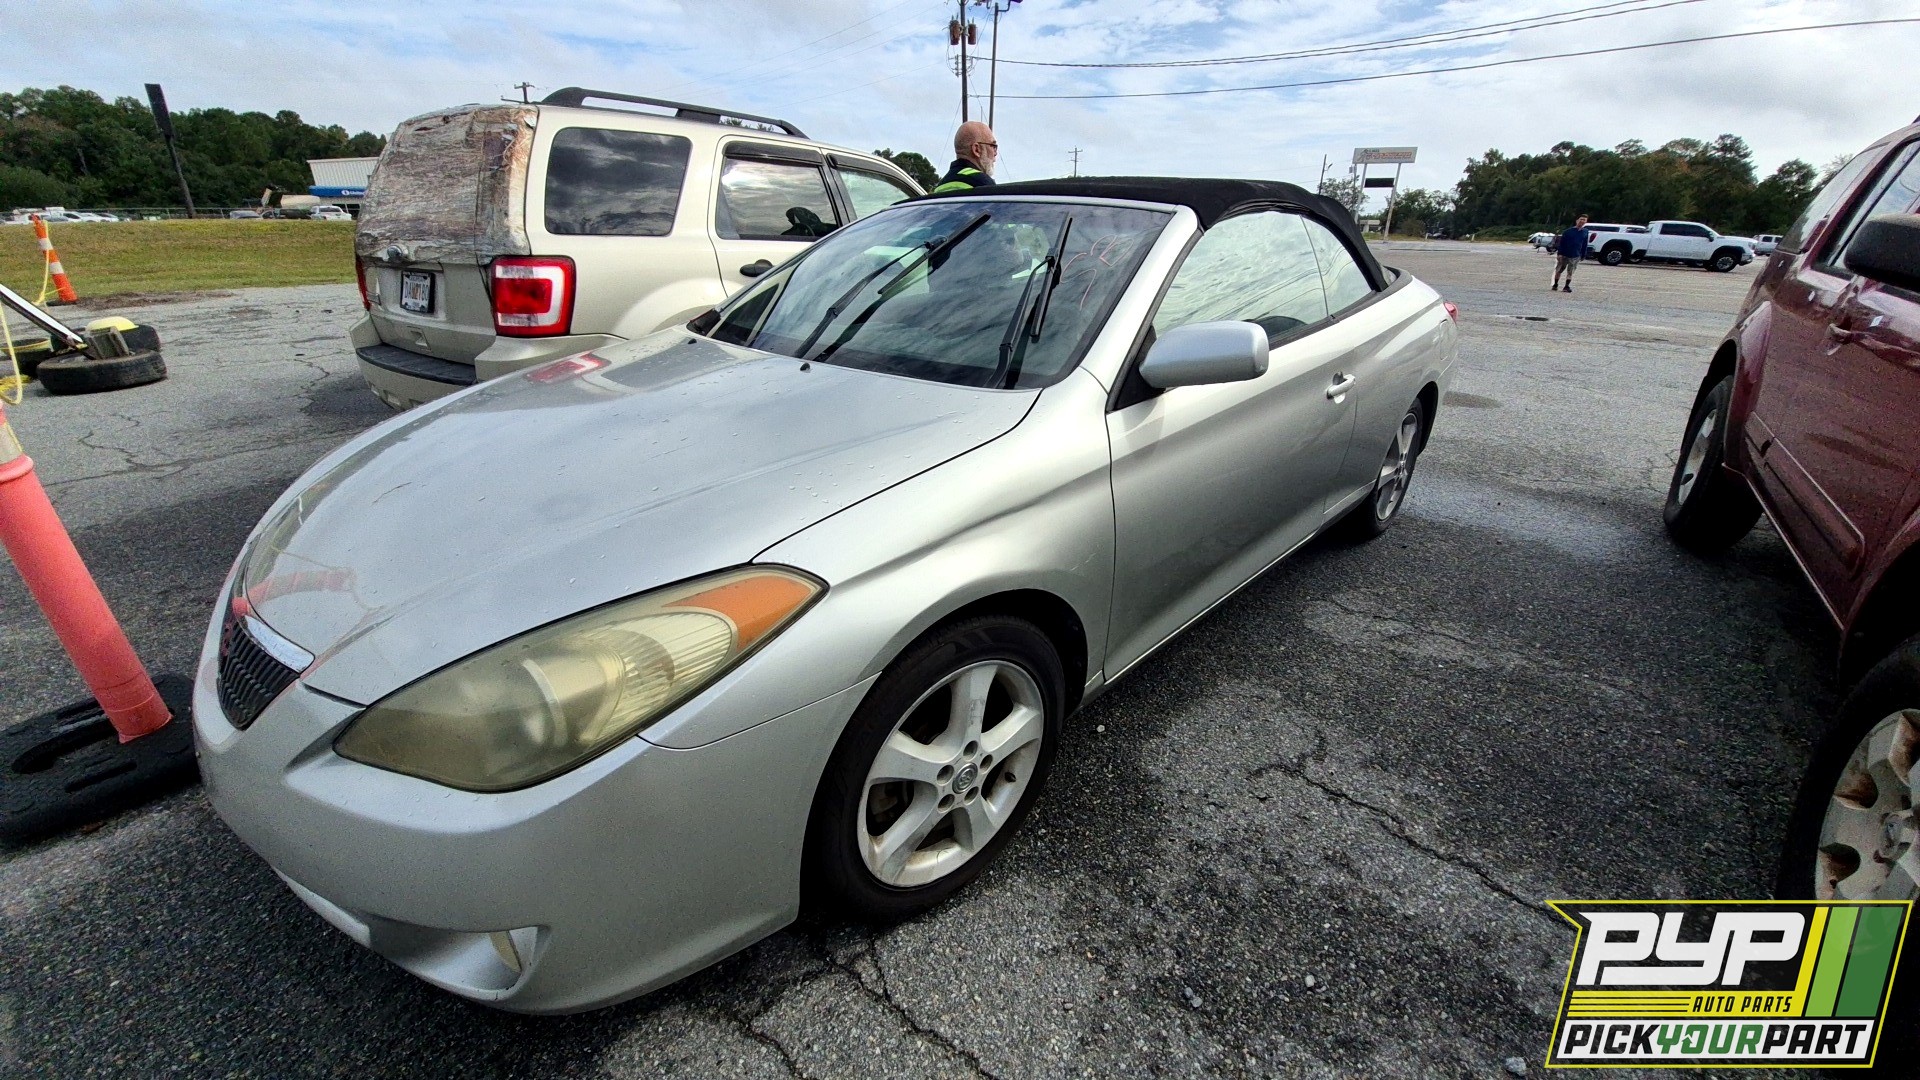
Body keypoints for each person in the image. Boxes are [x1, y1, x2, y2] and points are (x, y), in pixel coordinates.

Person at [933, 121, 999, 193]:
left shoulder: (940, 186)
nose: (995, 153)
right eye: (993, 146)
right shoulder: (982, 183)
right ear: (976, 149)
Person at [1552, 215, 1590, 292]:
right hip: (1564, 254)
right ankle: (1555, 284)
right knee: (1559, 270)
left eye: (1584, 220)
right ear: (1577, 220)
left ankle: (1566, 286)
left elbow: (1584, 244)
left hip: (1575, 255)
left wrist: (1583, 254)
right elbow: (1561, 243)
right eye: (1581, 219)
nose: (1582, 221)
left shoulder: (1585, 232)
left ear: (1586, 222)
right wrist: (1559, 254)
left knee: (1570, 271)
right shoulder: (1568, 231)